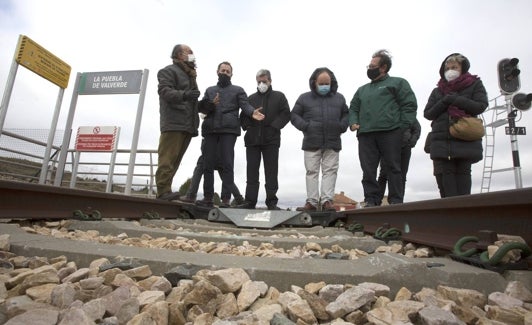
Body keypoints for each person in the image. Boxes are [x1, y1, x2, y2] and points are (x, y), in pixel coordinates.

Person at [349, 49, 418, 207]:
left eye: (373, 65)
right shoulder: (362, 90)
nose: (369, 68)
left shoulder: (398, 83)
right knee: (368, 170)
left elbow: (409, 105)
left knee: (393, 167)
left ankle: (396, 201)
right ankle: (371, 200)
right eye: (369, 65)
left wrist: (402, 127)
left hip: (391, 132)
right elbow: (353, 108)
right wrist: (353, 122)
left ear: (383, 67)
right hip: (366, 134)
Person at [195, 61, 264, 207]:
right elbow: (202, 108)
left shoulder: (238, 90)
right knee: (208, 164)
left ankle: (225, 199)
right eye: (223, 70)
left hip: (228, 130)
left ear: (231, 74)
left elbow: (244, 105)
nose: (225, 73)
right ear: (217, 71)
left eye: (227, 71)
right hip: (210, 130)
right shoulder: (210, 90)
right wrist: (211, 104)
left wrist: (252, 112)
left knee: (227, 163)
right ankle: (208, 197)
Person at [424, 53, 488, 197]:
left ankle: (463, 208)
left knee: (464, 171)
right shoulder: (437, 91)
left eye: (454, 67)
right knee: (446, 172)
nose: (450, 70)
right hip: (443, 138)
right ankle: (450, 208)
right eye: (447, 68)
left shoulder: (474, 84)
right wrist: (445, 101)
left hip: (464, 136)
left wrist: (457, 100)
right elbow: (428, 114)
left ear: (462, 68)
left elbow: (480, 106)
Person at [291, 67, 349, 212]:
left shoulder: (339, 98)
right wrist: (306, 126)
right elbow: (294, 116)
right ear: (314, 83)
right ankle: (311, 202)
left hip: (333, 141)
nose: (324, 86)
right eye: (321, 83)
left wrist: (341, 126)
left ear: (332, 82)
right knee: (312, 172)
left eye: (327, 83)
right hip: (311, 141)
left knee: (330, 171)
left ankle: (327, 201)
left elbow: (346, 115)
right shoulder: (304, 98)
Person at [239, 69, 291, 210]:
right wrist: (249, 127)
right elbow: (243, 116)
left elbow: (286, 114)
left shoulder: (279, 97)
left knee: (271, 172)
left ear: (270, 81)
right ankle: (250, 202)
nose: (261, 84)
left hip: (271, 141)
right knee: (251, 172)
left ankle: (271, 202)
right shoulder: (250, 99)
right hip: (252, 141)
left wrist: (274, 127)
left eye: (264, 81)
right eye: (259, 82)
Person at [155, 44, 200, 201]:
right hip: (174, 122)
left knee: (175, 160)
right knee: (167, 158)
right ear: (179, 55)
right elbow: (165, 91)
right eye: (189, 52)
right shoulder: (168, 71)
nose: (192, 55)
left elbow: (192, 101)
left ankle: (166, 191)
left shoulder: (190, 75)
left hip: (188, 125)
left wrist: (205, 105)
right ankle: (162, 190)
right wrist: (186, 95)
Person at [180, 138, 244, 207]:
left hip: (211, 141)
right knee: (226, 177)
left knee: (200, 167)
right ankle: (239, 199)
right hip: (223, 147)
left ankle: (191, 195)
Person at [377, 118, 421, 203]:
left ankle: (398, 200)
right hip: (387, 147)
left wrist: (412, 141)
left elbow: (417, 129)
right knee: (383, 174)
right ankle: (377, 200)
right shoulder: (387, 111)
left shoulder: (408, 114)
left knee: (401, 176)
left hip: (405, 148)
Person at [424, 131, 444, 198]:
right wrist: (437, 147)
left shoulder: (452, 130)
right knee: (442, 189)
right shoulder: (431, 134)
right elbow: (426, 148)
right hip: (438, 166)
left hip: (452, 165)